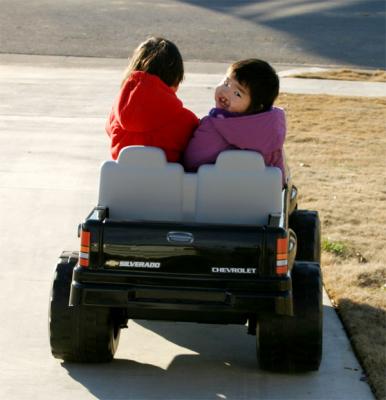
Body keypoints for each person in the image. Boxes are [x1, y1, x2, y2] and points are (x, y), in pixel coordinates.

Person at [183, 58, 287, 184]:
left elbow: (191, 161)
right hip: (257, 197)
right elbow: (279, 176)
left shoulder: (213, 126)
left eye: (237, 93)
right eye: (226, 83)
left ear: (256, 106)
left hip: (210, 194)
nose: (226, 92)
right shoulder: (271, 132)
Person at [106, 37, 199, 162]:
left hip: (122, 180)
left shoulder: (116, 114)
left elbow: (109, 131)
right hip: (166, 181)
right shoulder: (187, 121)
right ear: (176, 82)